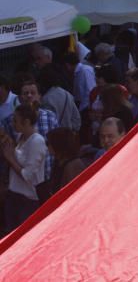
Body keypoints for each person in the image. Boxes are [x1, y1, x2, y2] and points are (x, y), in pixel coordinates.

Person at [1, 104, 47, 234]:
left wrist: (10, 157)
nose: (12, 123)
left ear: (26, 122)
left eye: (15, 120)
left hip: (27, 200)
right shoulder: (19, 137)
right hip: (13, 194)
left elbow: (28, 175)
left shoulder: (37, 141)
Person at [38, 65, 81, 132]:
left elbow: (46, 122)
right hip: (69, 135)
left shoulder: (46, 99)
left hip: (54, 137)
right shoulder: (68, 94)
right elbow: (77, 120)